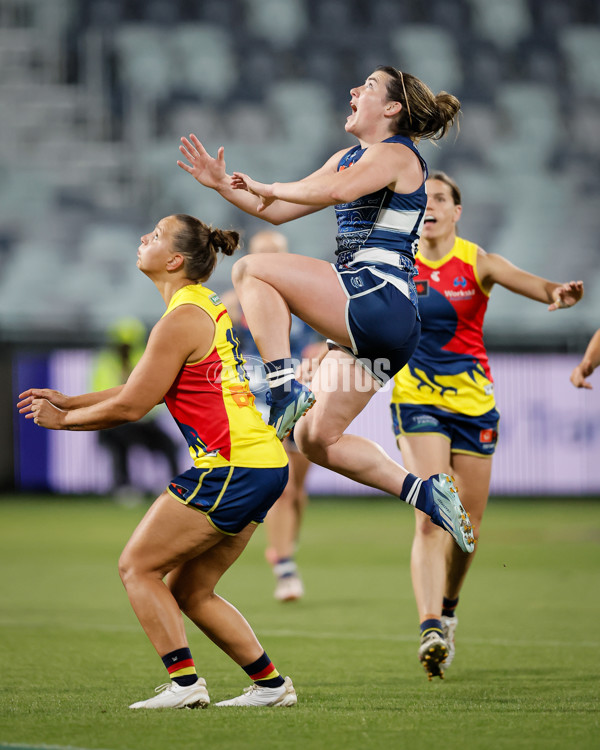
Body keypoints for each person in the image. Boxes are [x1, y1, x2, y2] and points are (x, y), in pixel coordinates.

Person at [177, 66, 476, 560]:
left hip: (378, 298)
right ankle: (425, 493)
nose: (354, 90)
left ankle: (282, 386)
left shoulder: (397, 154)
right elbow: (274, 210)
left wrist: (266, 183)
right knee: (315, 438)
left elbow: (332, 193)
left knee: (253, 270)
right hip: (380, 326)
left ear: (392, 108)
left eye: (369, 87)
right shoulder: (348, 158)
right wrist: (222, 187)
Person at [17, 214, 298, 709]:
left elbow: (132, 407)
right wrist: (70, 400)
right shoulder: (198, 307)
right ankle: (272, 687)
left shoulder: (182, 318)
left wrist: (60, 422)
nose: (143, 237)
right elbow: (139, 388)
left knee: (137, 567)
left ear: (174, 260)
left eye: (157, 235)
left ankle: (186, 685)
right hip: (261, 463)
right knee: (191, 590)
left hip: (232, 464)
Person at [389, 171, 584, 678]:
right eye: (420, 198)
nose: (427, 205)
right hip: (416, 401)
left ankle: (448, 609)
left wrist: (558, 292)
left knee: (466, 530)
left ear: (457, 211)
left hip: (475, 405)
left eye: (438, 199)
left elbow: (540, 287)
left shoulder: (478, 262)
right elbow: (355, 316)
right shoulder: (395, 264)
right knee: (434, 512)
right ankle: (429, 624)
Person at [222, 229, 326, 602]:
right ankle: (285, 568)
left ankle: (285, 547)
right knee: (281, 490)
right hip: (261, 405)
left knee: (297, 490)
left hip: (300, 398)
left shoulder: (305, 301)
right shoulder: (234, 307)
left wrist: (320, 355)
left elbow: (324, 342)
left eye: (276, 255)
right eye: (262, 255)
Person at [92, 316, 180, 500]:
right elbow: (100, 393)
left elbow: (156, 393)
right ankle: (124, 487)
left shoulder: (145, 357)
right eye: (121, 345)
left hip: (143, 420)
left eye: (128, 345)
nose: (124, 349)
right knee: (120, 442)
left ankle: (175, 485)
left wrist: (141, 415)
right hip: (115, 420)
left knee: (169, 445)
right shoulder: (106, 362)